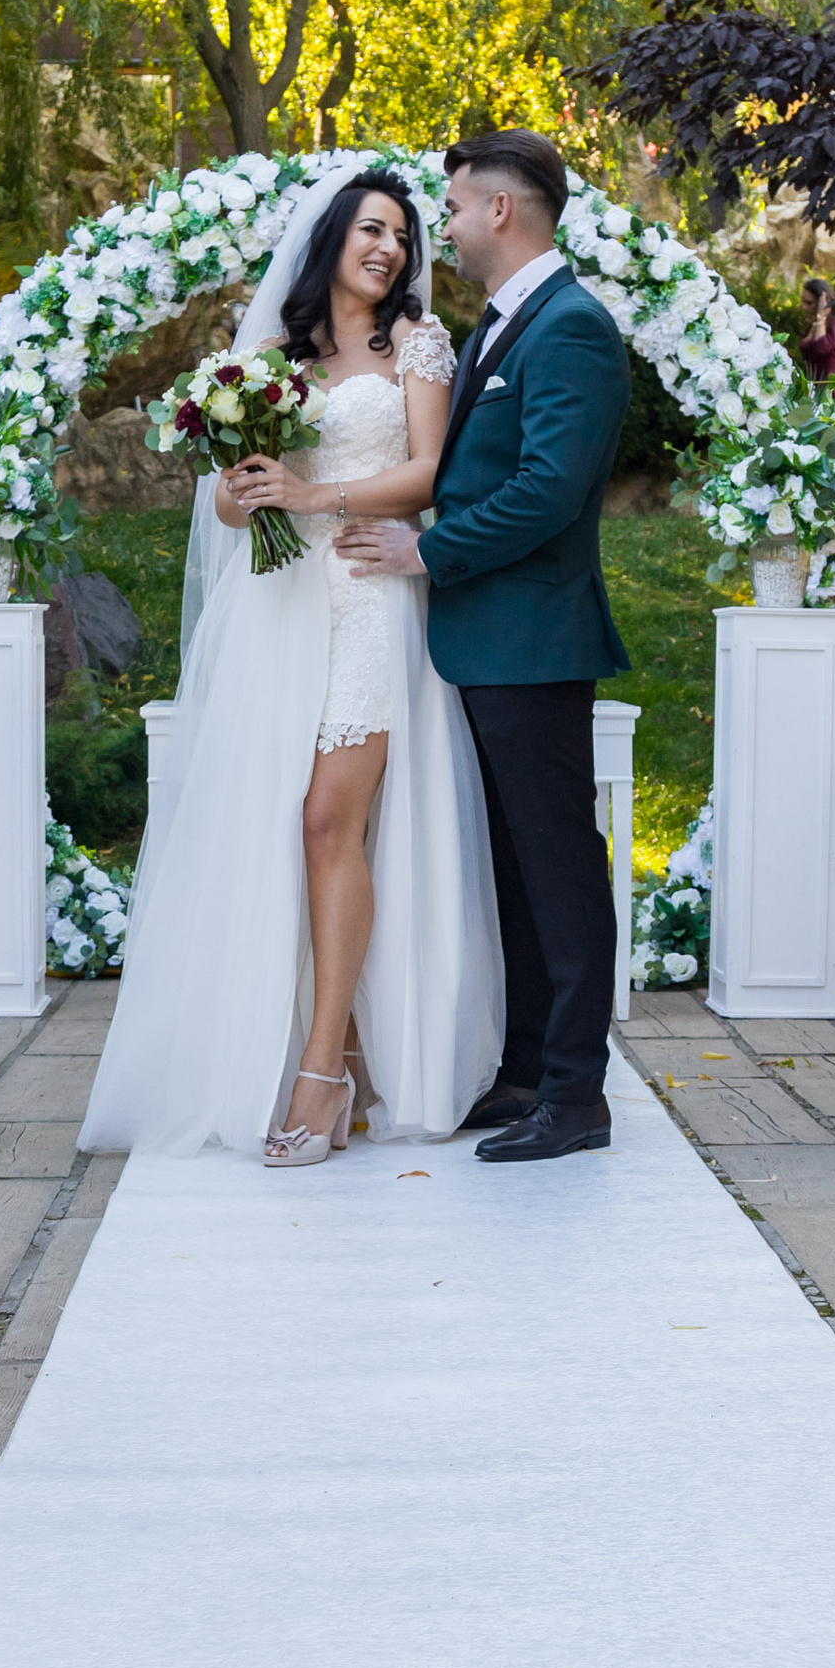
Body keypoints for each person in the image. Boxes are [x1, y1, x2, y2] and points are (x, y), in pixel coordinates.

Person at [77, 171, 503, 1163]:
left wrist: (318, 500)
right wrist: (246, 493)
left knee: (328, 820)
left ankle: (323, 1074)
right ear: (330, 239)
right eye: (371, 228)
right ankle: (312, 1047)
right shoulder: (267, 358)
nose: (389, 248)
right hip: (281, 611)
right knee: (281, 827)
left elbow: (433, 473)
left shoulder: (419, 343)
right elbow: (228, 504)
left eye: (401, 233)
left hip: (369, 594)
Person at [336, 129, 633, 1163]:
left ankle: (576, 1095)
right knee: (511, 866)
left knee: (557, 865)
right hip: (488, 644)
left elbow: (547, 491)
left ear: (499, 210)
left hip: (534, 640)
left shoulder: (571, 329)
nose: (445, 230)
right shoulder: (512, 322)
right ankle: (522, 1073)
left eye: (455, 209)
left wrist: (430, 552)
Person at [795, 273, 835, 385]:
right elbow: (805, 350)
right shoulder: (814, 323)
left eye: (809, 303)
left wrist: (821, 317)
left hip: (829, 391)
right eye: (803, 302)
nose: (804, 307)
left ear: (821, 302)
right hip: (813, 387)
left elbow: (821, 348)